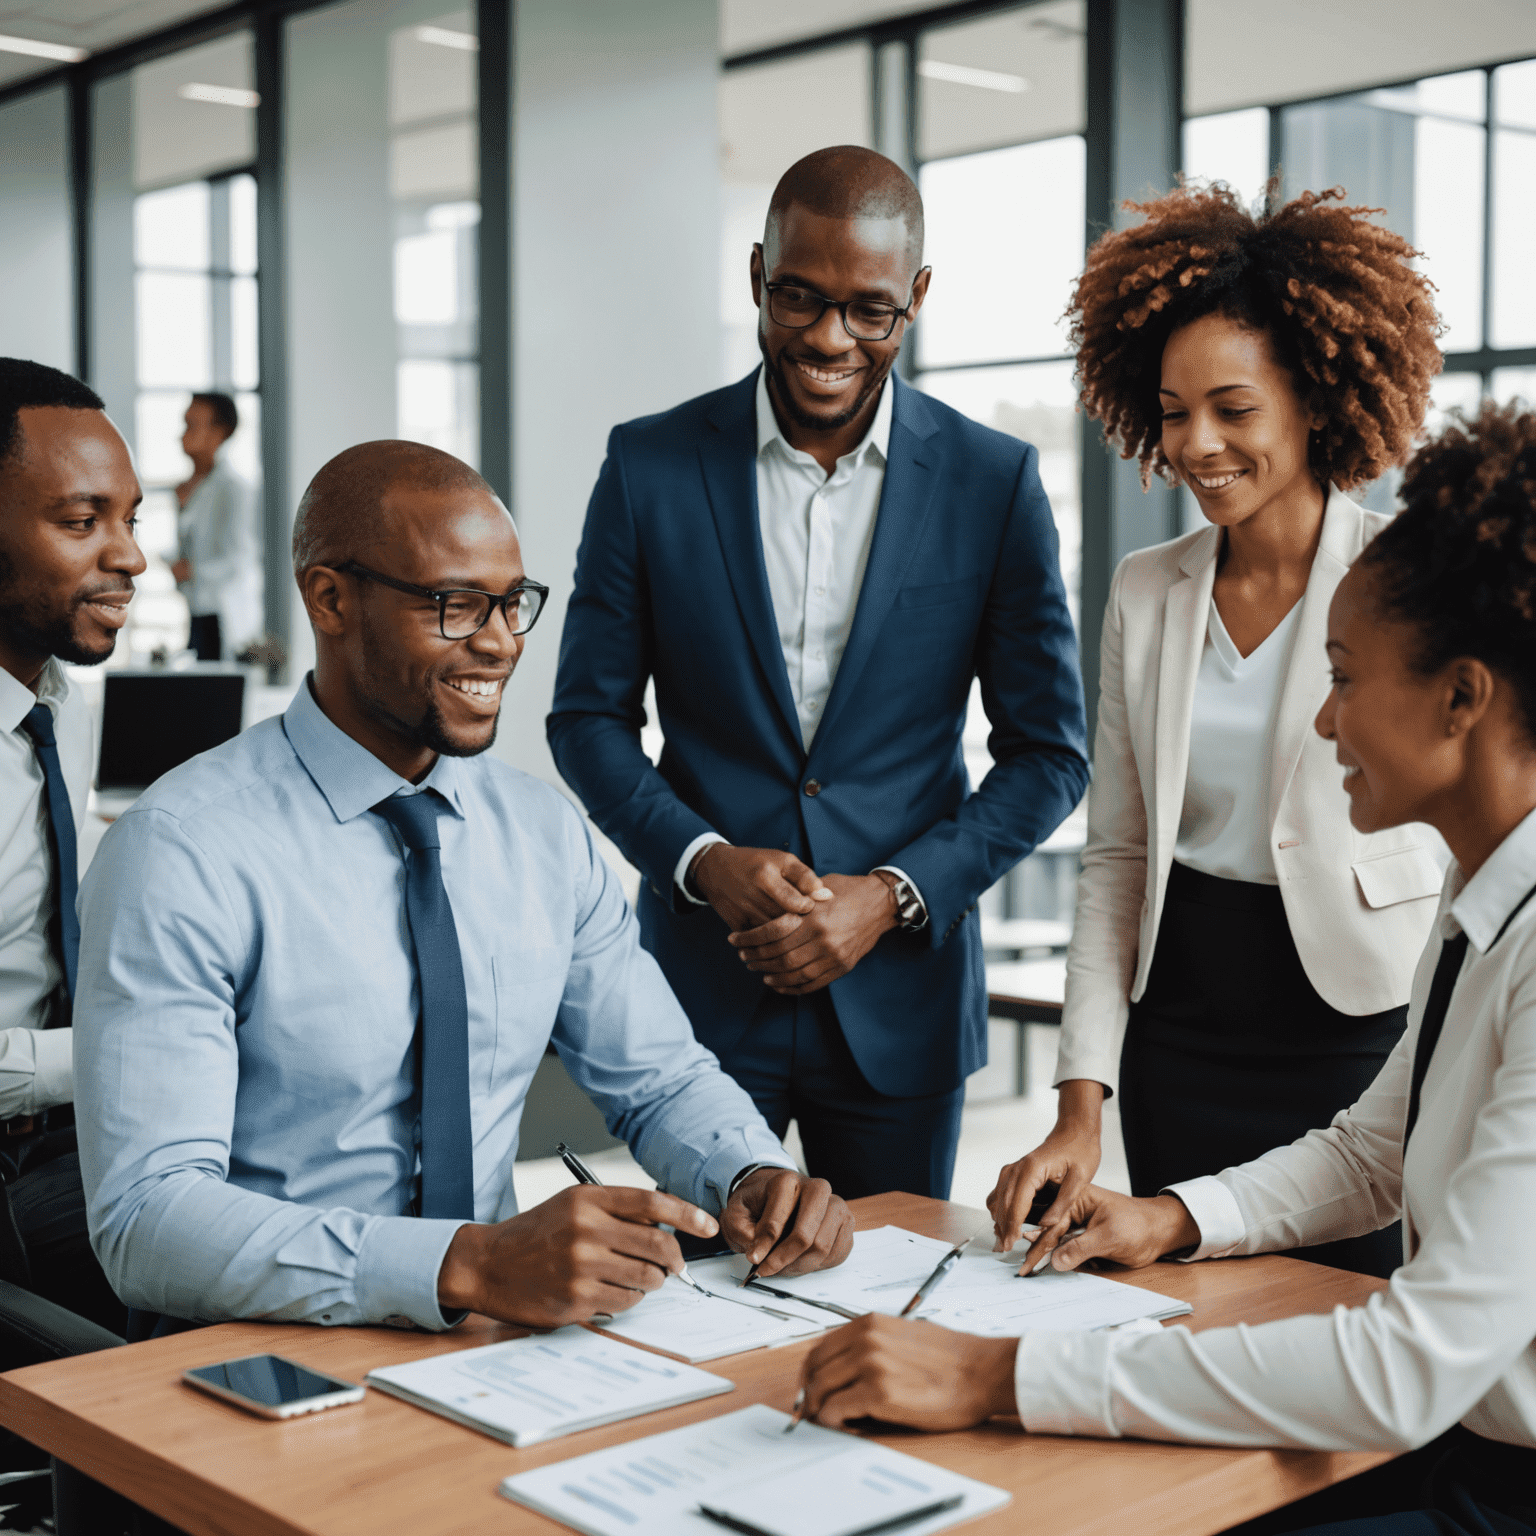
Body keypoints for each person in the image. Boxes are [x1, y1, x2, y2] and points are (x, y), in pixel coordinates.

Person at [795, 403, 1536, 1536]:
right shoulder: (1476, 896)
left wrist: (992, 1379)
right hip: (1466, 1470)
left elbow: (1407, 1365)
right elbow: (1373, 1150)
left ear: (1462, 697)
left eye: (1342, 678)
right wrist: (1168, 1218)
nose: (1325, 725)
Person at [75, 439, 852, 1335]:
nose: (499, 642)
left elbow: (660, 1079)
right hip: (258, 1352)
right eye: (454, 605)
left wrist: (752, 1174)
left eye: (513, 604)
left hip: (493, 1341)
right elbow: (147, 1221)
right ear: (330, 599)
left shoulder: (542, 834)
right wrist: (470, 1263)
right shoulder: (179, 851)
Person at [548, 146, 1088, 1201]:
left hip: (902, 1005)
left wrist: (890, 898)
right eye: (799, 298)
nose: (830, 339)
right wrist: (704, 861)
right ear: (757, 274)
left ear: (916, 299)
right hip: (703, 994)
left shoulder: (993, 481)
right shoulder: (649, 466)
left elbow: (1049, 757)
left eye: (869, 310)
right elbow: (588, 721)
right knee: (692, 1321)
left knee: (893, 1321)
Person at [990, 185, 1445, 1278]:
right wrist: (1078, 1103)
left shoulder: (1409, 579)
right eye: (1173, 410)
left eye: (1232, 411)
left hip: (1357, 1022)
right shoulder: (1147, 590)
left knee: (1347, 1338)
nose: (1196, 444)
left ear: (1313, 399)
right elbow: (1117, 856)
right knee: (1186, 1321)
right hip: (1179, 1028)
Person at [0, 358, 143, 1338]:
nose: (130, 556)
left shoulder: (63, 708)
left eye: (133, 519)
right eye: (83, 522)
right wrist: (113, 1051)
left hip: (63, 1140)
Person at [171, 391, 261, 662]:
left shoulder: (233, 489)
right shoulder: (188, 489)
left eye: (191, 425)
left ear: (219, 433)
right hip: (196, 610)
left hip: (223, 616)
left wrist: (193, 571)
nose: (181, 435)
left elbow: (238, 558)